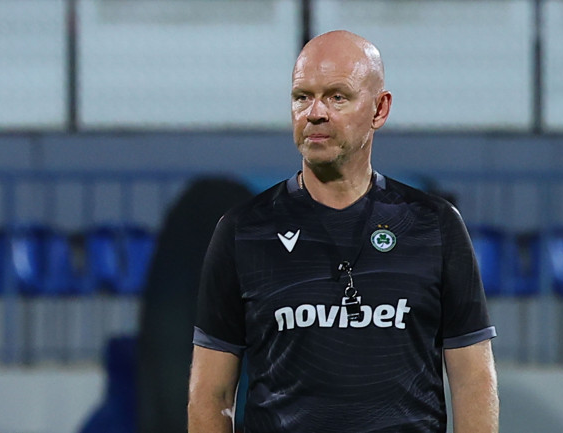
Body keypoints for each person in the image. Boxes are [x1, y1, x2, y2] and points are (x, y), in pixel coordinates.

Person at [188, 30, 499, 433]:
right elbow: (210, 395)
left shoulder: (434, 225)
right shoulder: (243, 231)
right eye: (302, 97)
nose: (314, 113)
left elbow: (474, 381)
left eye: (337, 97)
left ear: (379, 109)